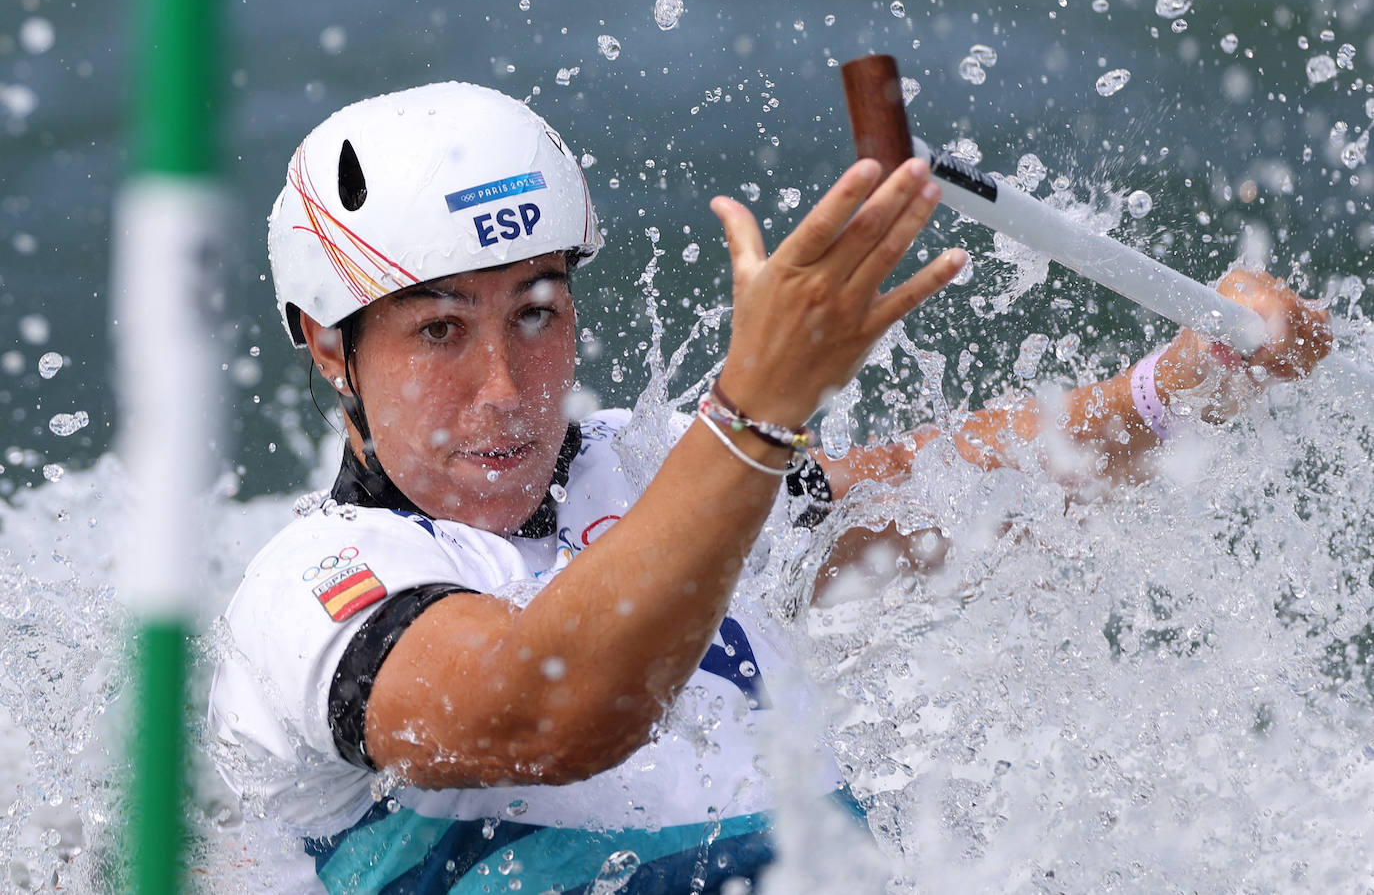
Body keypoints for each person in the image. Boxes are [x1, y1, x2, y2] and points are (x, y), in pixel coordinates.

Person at [207, 81, 1331, 893]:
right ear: (329, 345)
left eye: (537, 314)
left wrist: (1174, 387)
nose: (505, 390)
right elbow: (549, 716)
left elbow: (951, 492)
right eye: (441, 330)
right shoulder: (310, 590)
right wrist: (754, 411)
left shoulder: (650, 464)